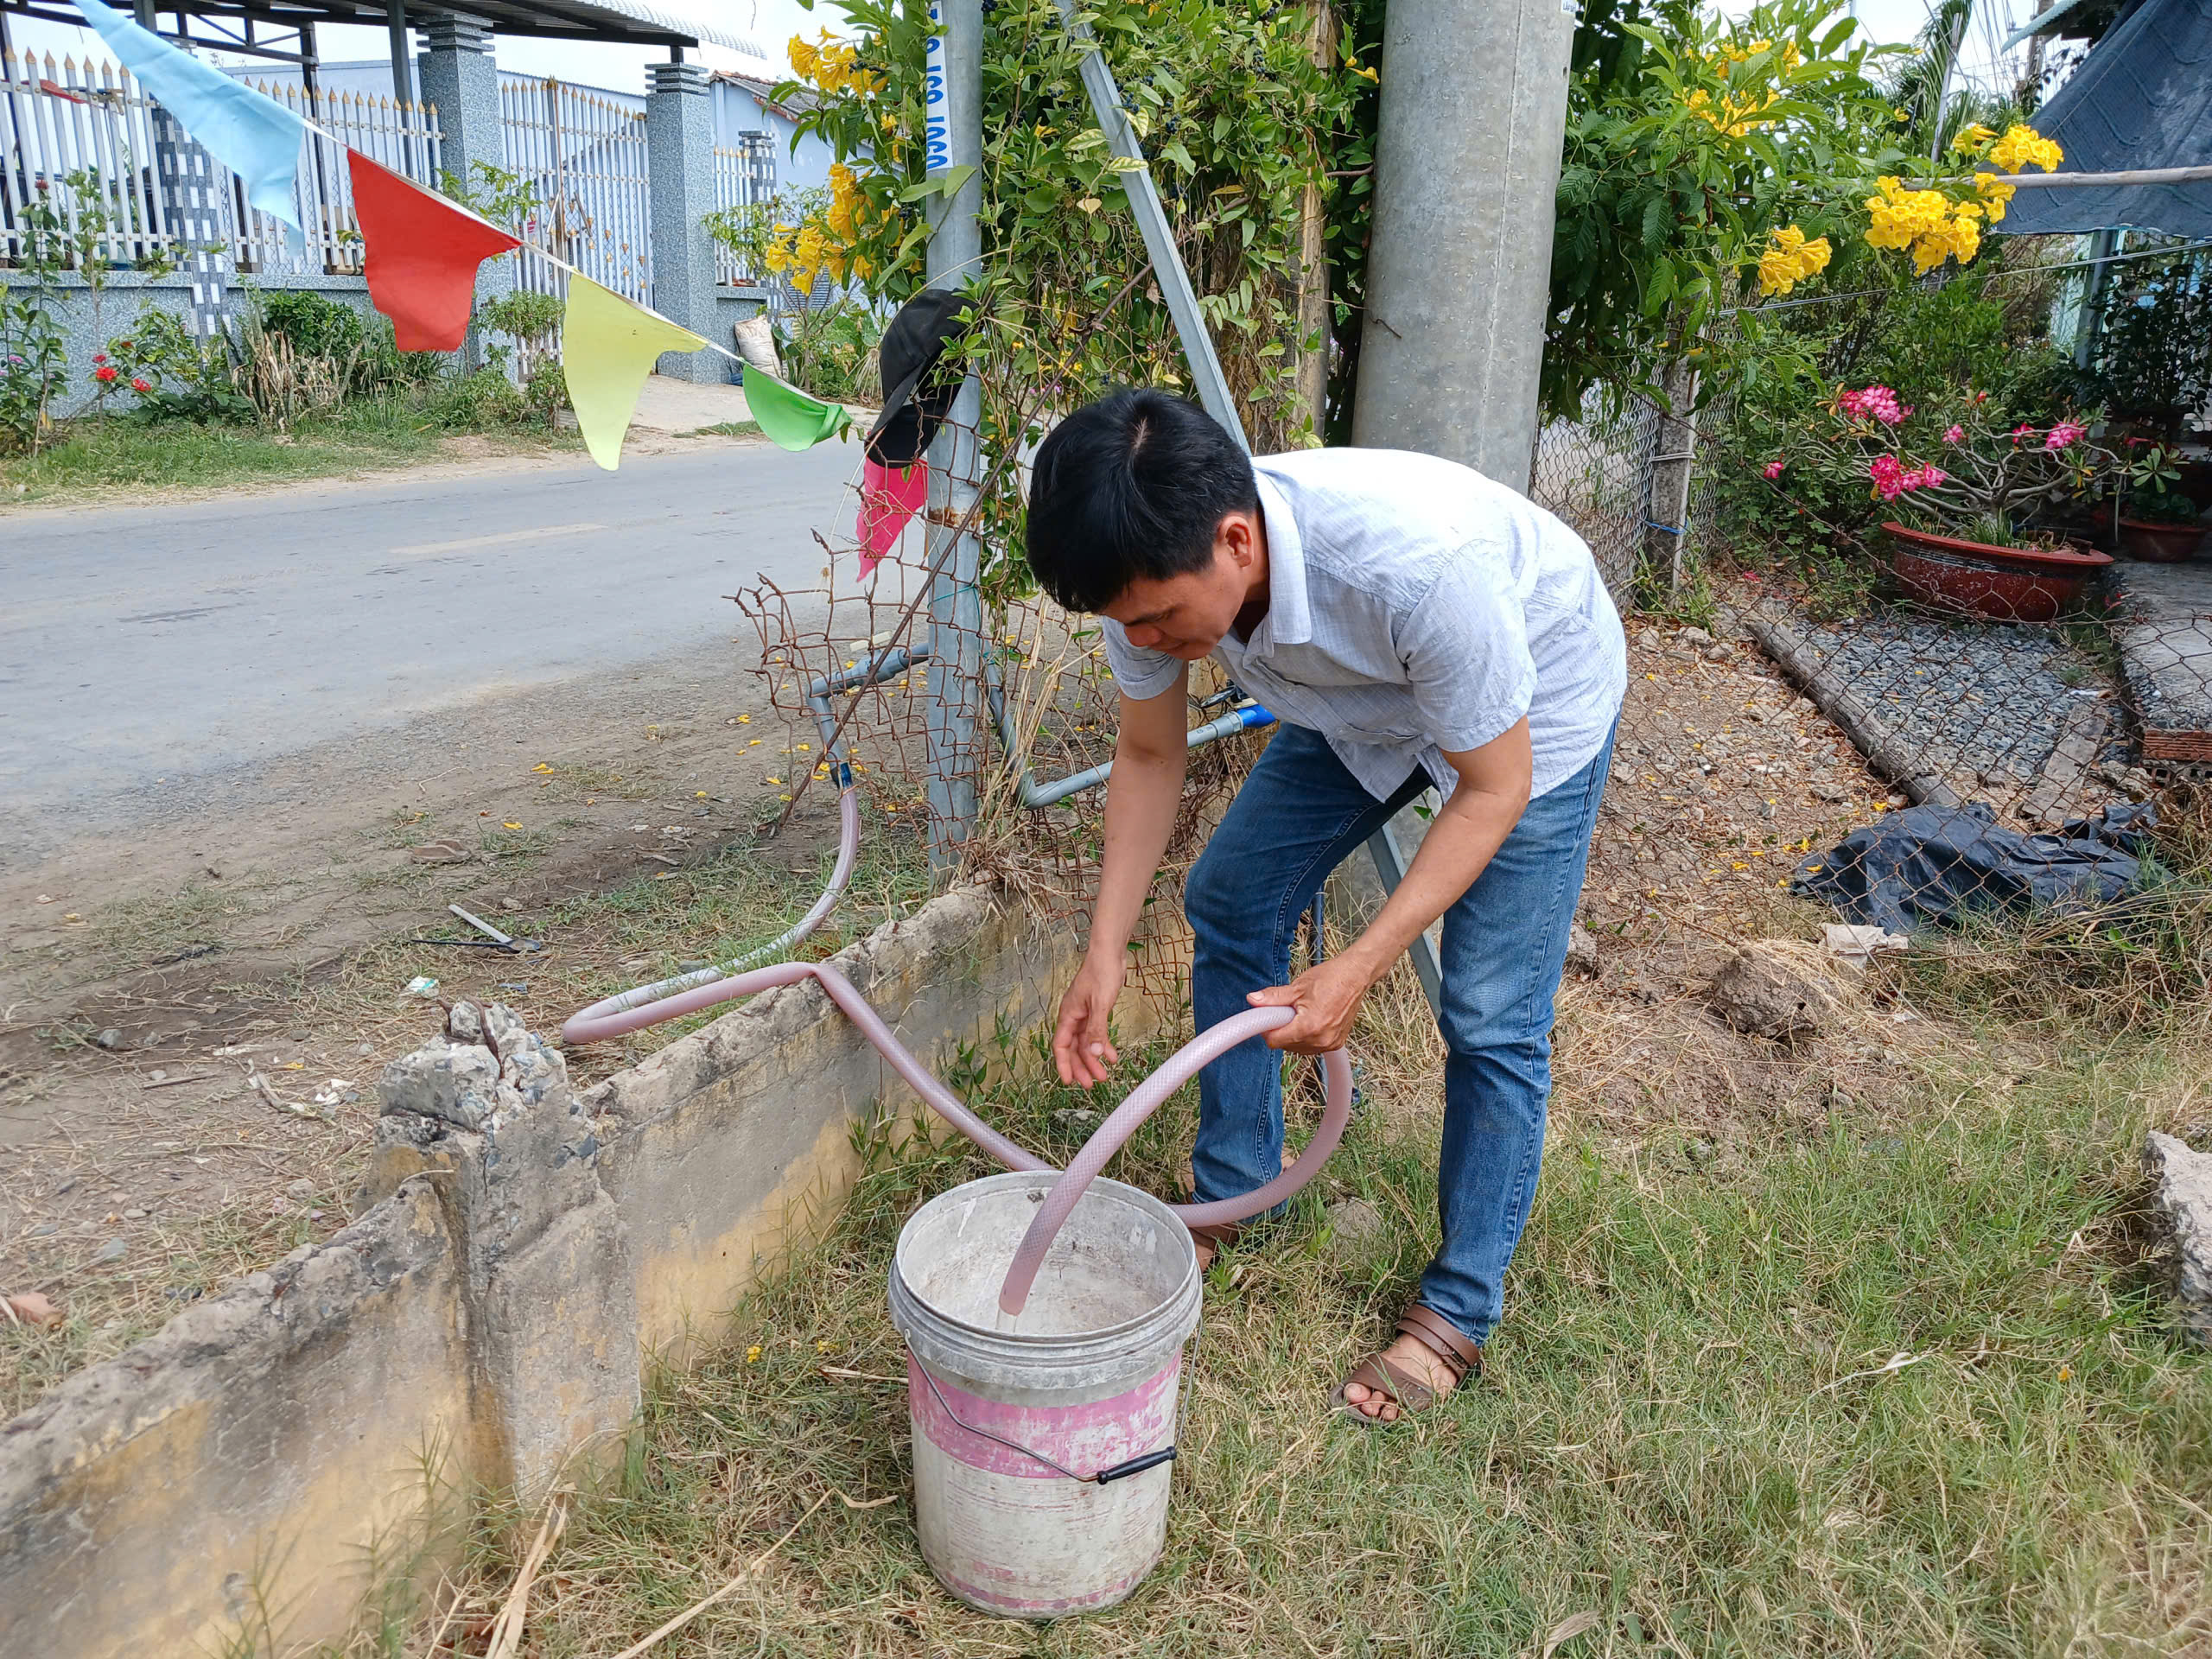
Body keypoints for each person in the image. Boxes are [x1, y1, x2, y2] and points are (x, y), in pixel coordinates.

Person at [1024, 389, 1625, 1422]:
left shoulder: (1411, 569)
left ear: (1236, 539)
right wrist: (1105, 949)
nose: (1148, 641)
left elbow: (1491, 786)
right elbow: (1148, 751)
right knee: (1232, 899)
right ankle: (1236, 1190)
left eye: (1161, 617)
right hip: (1364, 703)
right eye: (1127, 624)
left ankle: (1459, 1308)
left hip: (1531, 705)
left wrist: (1358, 965)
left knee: (1489, 1013)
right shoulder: (1153, 583)